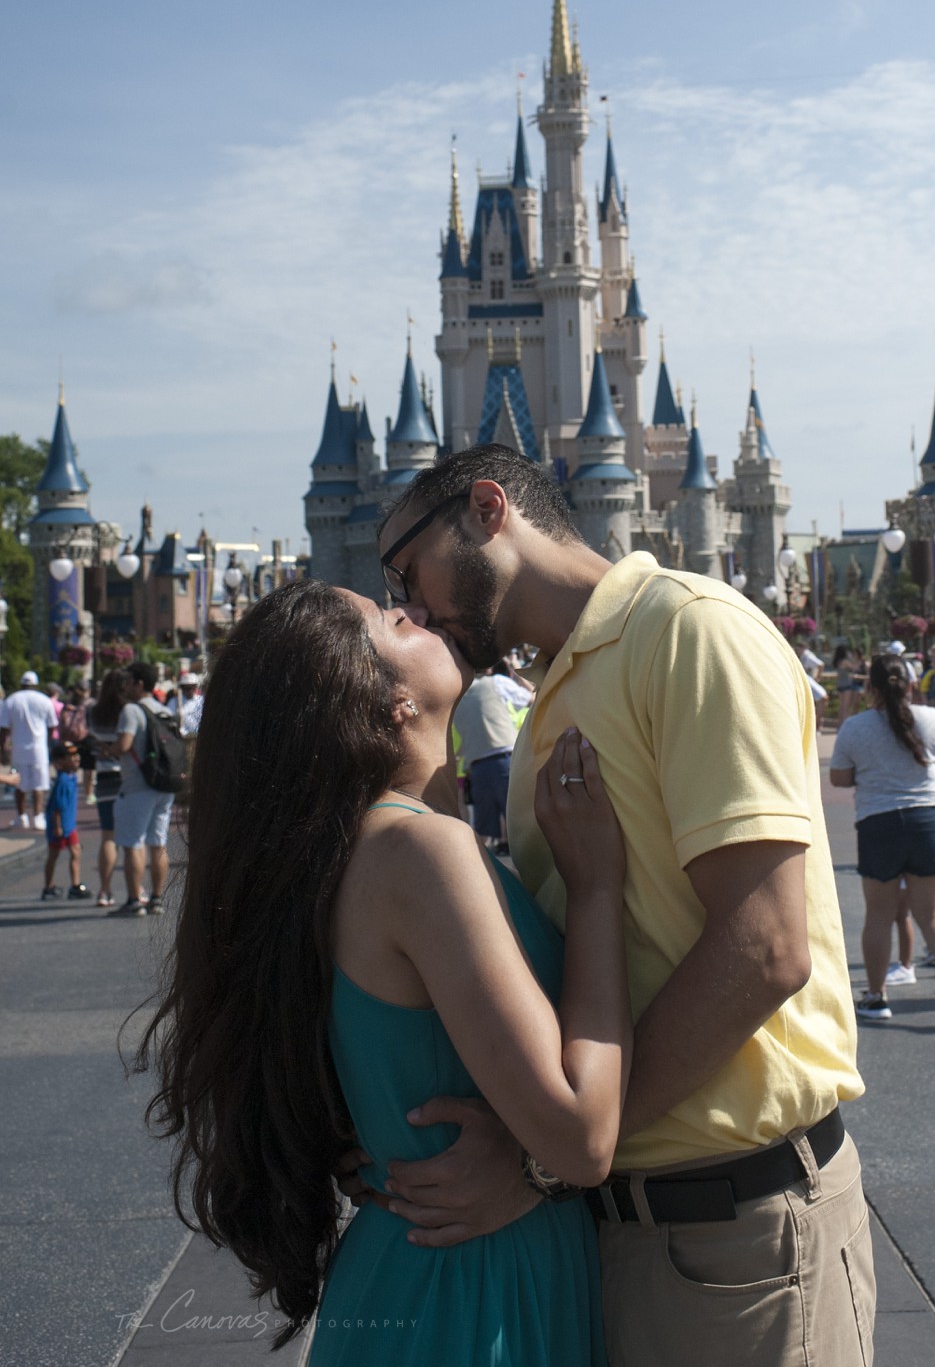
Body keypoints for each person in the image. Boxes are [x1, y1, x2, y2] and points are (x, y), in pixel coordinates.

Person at [363, 445, 873, 1367]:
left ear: (488, 510)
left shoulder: (688, 629)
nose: (408, 605)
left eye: (407, 569)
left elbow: (766, 949)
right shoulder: (555, 684)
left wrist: (541, 1158)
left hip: (733, 1228)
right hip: (612, 1222)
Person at [136, 578, 629, 1364]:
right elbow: (580, 1136)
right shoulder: (417, 853)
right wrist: (600, 888)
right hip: (476, 1288)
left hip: (434, 1265)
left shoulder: (362, 851)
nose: (419, 610)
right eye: (392, 620)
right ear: (387, 703)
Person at [830, 652, 935, 1029]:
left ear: (869, 688)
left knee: (880, 914)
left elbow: (839, 779)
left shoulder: (855, 727)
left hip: (879, 823)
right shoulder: (932, 718)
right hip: (929, 820)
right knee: (934, 913)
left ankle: (877, 997)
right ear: (911, 685)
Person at [114, 660, 175, 917]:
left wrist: (109, 749)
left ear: (139, 683)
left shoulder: (132, 711)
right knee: (158, 842)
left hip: (138, 785)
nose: (124, 685)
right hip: (164, 783)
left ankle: (133, 900)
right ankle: (157, 898)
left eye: (128, 680)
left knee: (133, 843)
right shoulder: (164, 711)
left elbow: (124, 745)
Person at [453, 663, 533, 851]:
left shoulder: (457, 701)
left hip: (477, 766)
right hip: (505, 758)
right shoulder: (496, 683)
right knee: (519, 822)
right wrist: (516, 670)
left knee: (484, 830)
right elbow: (530, 699)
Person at [88, 668, 129, 908]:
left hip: (104, 777)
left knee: (108, 836)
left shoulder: (93, 712)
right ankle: (136, 887)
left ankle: (105, 890)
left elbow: (92, 745)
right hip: (128, 776)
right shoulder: (128, 710)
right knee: (134, 838)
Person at [0, 670, 58, 830]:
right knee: (39, 783)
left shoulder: (11, 700)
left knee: (19, 783)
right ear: (36, 684)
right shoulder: (44, 700)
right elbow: (52, 726)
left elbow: (4, 729)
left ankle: (21, 816)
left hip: (18, 748)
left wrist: (3, 749)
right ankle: (38, 817)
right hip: (39, 748)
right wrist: (47, 743)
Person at [41, 739, 89, 902]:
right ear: (60, 762)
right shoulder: (62, 781)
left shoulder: (71, 777)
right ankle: (48, 887)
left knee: (76, 852)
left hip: (69, 826)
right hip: (60, 826)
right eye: (71, 756)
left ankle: (75, 885)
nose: (76, 758)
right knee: (53, 855)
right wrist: (57, 827)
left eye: (77, 755)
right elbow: (56, 807)